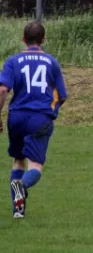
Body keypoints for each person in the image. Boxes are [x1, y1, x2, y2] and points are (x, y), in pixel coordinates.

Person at [0, 22, 68, 219]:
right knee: (36, 166)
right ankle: (22, 185)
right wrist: (52, 110)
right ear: (43, 39)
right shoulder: (51, 62)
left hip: (17, 116)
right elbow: (62, 95)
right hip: (39, 117)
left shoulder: (13, 61)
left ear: (23, 39)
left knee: (18, 161)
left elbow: (3, 89)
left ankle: (18, 210)